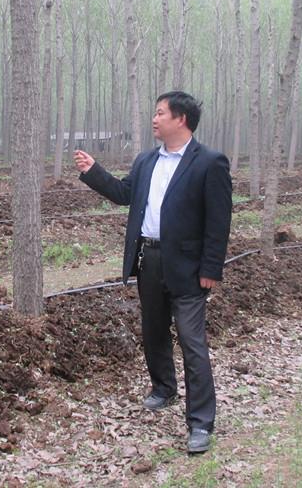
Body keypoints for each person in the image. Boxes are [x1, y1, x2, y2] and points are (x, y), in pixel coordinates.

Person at [73, 90, 232, 454]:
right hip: (149, 259)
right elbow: (124, 193)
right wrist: (93, 172)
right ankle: (163, 388)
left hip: (190, 268)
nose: (154, 119)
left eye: (160, 113)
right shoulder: (146, 161)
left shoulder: (209, 162)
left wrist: (211, 268)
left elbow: (219, 222)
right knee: (154, 331)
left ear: (181, 119)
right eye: (155, 113)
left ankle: (201, 423)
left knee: (192, 342)